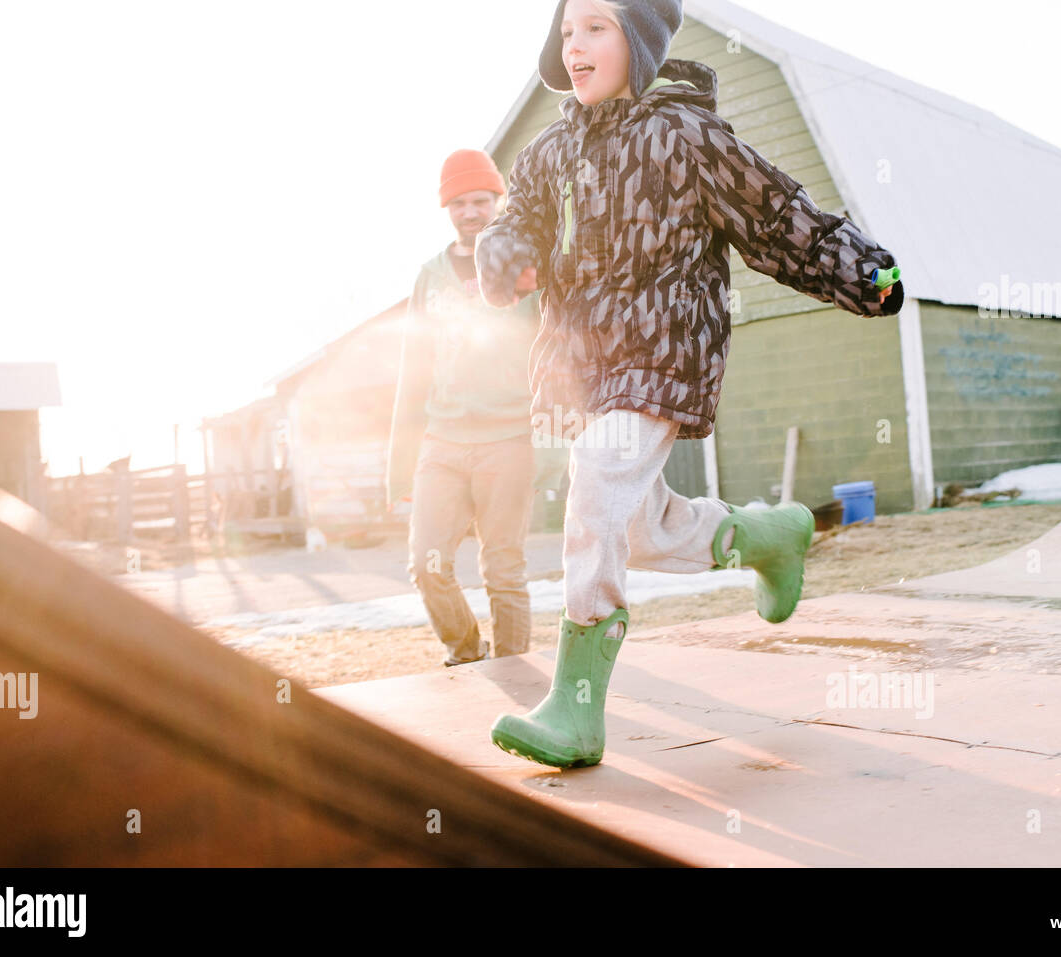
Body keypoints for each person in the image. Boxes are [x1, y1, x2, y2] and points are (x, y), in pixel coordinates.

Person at [475, 0, 905, 767]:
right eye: (567, 30)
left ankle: (576, 708)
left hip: (663, 346)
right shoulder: (548, 152)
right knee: (639, 525)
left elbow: (777, 219)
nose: (575, 45)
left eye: (597, 27)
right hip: (584, 369)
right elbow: (520, 222)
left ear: (638, 41)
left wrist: (861, 268)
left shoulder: (687, 136)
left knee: (599, 479)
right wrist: (502, 257)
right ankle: (769, 535)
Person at [387, 149, 545, 667]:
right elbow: (413, 369)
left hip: (508, 439)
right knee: (427, 564)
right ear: (446, 209)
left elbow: (556, 348)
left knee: (503, 568)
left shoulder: (527, 265)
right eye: (459, 203)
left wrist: (557, 437)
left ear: (498, 201)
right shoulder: (430, 277)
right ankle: (466, 654)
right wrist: (399, 473)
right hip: (444, 442)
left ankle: (515, 672)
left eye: (481, 200)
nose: (471, 211)